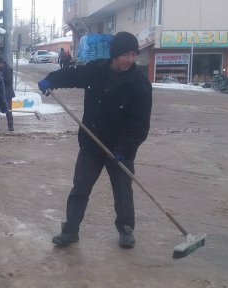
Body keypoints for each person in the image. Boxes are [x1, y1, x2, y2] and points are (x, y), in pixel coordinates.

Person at [37, 31, 152, 249]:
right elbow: (71, 75)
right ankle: (70, 230)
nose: (129, 59)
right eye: (124, 54)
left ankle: (126, 229)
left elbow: (139, 125)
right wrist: (51, 80)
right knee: (80, 188)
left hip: (120, 150)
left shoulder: (140, 84)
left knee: (123, 191)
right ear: (115, 53)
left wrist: (124, 150)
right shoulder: (96, 69)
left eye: (132, 54)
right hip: (91, 143)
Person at [0, 55, 15, 131]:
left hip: (7, 93)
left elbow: (8, 81)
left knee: (8, 110)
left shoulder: (9, 69)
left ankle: (10, 125)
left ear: (2, 63)